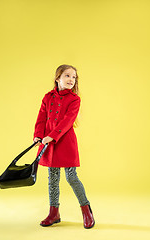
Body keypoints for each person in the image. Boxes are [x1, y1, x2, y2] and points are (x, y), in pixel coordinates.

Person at [33, 64, 95, 229]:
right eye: (67, 76)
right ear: (57, 77)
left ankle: (86, 210)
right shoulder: (47, 97)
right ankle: (54, 213)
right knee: (52, 179)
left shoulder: (75, 99)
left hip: (65, 142)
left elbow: (67, 121)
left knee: (71, 177)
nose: (71, 79)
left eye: (74, 77)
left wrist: (51, 136)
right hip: (47, 142)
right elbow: (41, 117)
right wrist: (38, 136)